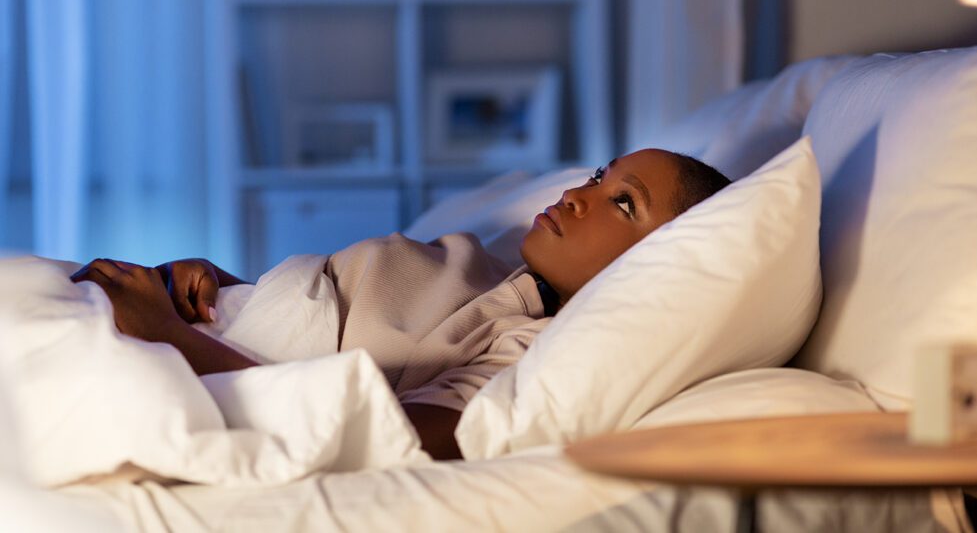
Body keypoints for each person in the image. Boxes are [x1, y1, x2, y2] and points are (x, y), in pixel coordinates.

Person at [70, 148, 730, 459]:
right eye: (599, 175)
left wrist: (167, 332)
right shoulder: (500, 260)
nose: (577, 195)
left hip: (209, 362)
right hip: (211, 319)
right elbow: (351, 304)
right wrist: (220, 283)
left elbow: (383, 434)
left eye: (624, 203)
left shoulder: (527, 346)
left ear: (655, 266)